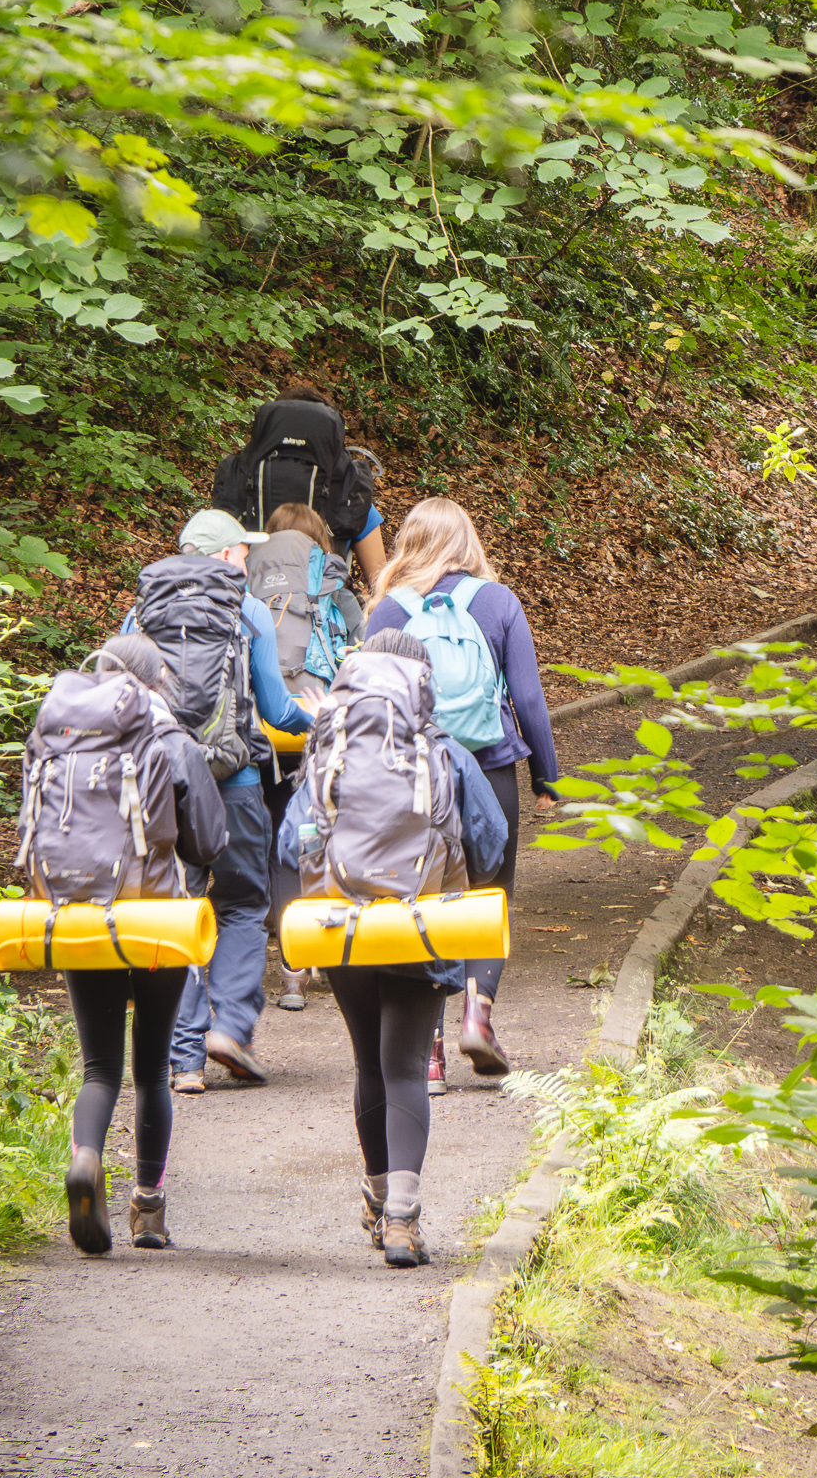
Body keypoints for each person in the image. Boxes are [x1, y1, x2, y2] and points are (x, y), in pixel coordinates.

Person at [277, 631, 508, 1266]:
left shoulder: (329, 750)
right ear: (423, 684)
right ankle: (404, 1220)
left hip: (343, 928)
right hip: (422, 925)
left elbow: (290, 842)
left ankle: (377, 1199)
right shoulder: (445, 752)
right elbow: (492, 842)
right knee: (406, 1065)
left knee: (369, 1065)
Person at [364, 498, 558, 1083]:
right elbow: (528, 697)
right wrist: (545, 775)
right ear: (467, 541)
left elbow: (370, 704)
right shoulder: (497, 602)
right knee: (490, 893)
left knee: (418, 896)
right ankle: (478, 1013)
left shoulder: (387, 610)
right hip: (490, 768)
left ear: (407, 544)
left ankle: (428, 1049)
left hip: (413, 778)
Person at [126, 508, 314, 1090]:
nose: (247, 559)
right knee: (243, 904)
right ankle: (230, 1027)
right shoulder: (248, 610)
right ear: (225, 555)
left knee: (175, 911)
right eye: (242, 551)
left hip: (162, 785)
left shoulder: (142, 611)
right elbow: (277, 710)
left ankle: (184, 1058)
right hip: (233, 782)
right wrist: (322, 719)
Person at [52, 634, 228, 1255]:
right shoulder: (171, 740)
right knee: (152, 1067)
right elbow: (207, 843)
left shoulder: (63, 734)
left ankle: (86, 1158)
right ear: (156, 681)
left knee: (100, 1067)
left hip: (80, 916)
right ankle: (148, 1208)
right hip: (157, 919)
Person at [251, 501, 358, 1012]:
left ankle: (291, 971)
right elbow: (359, 654)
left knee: (280, 838)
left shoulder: (249, 588)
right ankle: (324, 954)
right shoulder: (335, 589)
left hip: (265, 729)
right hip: (321, 727)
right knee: (326, 835)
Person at [212, 381, 387, 590]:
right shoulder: (350, 494)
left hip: (247, 601)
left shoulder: (239, 483)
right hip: (321, 604)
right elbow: (380, 583)